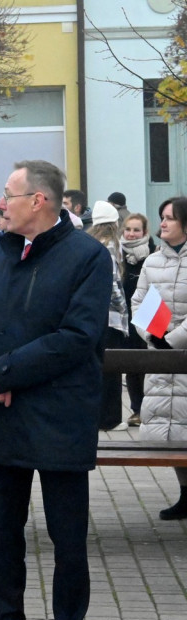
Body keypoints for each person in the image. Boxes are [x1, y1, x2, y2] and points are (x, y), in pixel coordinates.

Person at [0, 160, 111, 620]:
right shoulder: (1, 252)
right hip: (2, 416)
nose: (0, 204)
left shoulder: (88, 256)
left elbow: (77, 337)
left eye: (8, 195)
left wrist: (4, 374)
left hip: (58, 418)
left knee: (67, 538)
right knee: (1, 534)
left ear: (39, 201)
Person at [130, 197, 187, 520]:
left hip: (181, 354)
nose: (162, 224)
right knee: (172, 431)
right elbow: (139, 302)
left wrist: (175, 340)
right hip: (161, 360)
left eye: (170, 218)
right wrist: (154, 336)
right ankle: (185, 494)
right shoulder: (152, 262)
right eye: (162, 218)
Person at [88, 200, 130, 431]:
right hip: (110, 318)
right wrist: (123, 312)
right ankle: (111, 419)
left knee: (98, 368)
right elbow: (113, 285)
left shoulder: (90, 242)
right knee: (112, 371)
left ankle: (97, 417)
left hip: (94, 317)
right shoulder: (111, 245)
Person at [120, 212, 155, 427]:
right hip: (125, 318)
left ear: (145, 233)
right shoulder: (116, 256)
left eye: (136, 230)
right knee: (131, 365)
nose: (132, 234)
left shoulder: (152, 255)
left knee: (150, 365)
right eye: (128, 230)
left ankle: (151, 409)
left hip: (149, 314)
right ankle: (137, 409)